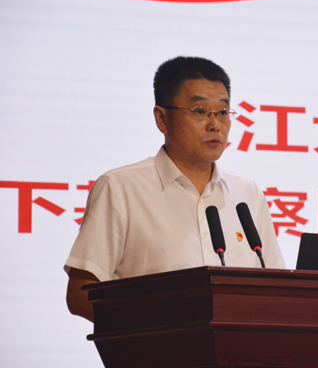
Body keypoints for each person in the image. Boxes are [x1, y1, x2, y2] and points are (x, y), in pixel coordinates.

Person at [65, 56, 286, 322]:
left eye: (223, 112)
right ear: (162, 119)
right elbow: (80, 295)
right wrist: (158, 326)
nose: (215, 124)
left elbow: (277, 290)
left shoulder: (247, 194)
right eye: (200, 111)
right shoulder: (121, 188)